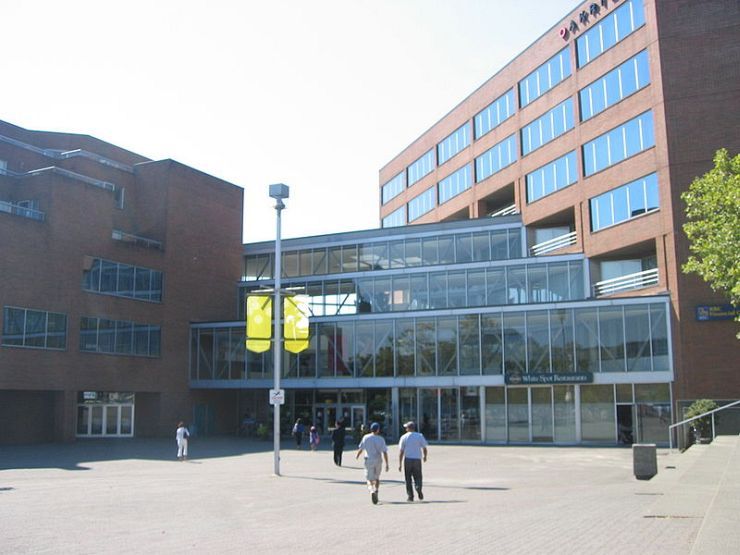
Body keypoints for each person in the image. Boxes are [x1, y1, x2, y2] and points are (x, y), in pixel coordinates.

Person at [355, 422, 389, 505]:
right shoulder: (381, 439)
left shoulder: (366, 437)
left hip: (369, 459)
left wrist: (357, 455)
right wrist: (387, 463)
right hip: (378, 459)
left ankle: (371, 490)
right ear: (378, 430)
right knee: (377, 478)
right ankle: (376, 491)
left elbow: (361, 448)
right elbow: (384, 452)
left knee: (369, 479)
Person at [398, 421, 428, 502]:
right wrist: (425, 456)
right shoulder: (419, 436)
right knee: (418, 476)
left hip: (408, 459)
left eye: (406, 427)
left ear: (408, 428)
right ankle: (418, 488)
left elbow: (401, 451)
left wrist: (400, 463)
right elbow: (424, 447)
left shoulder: (404, 437)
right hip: (417, 459)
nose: (405, 429)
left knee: (408, 478)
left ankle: (410, 496)